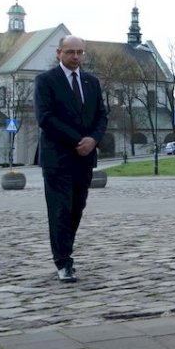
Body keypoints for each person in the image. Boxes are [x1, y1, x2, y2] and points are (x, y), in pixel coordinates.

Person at [34, 35, 108, 283]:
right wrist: (79, 141)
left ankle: (65, 249)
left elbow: (101, 116)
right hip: (58, 157)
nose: (76, 56)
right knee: (60, 210)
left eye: (80, 52)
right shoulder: (46, 80)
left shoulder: (91, 82)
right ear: (59, 53)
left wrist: (93, 140)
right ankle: (63, 262)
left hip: (84, 158)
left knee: (76, 208)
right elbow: (45, 118)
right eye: (70, 52)